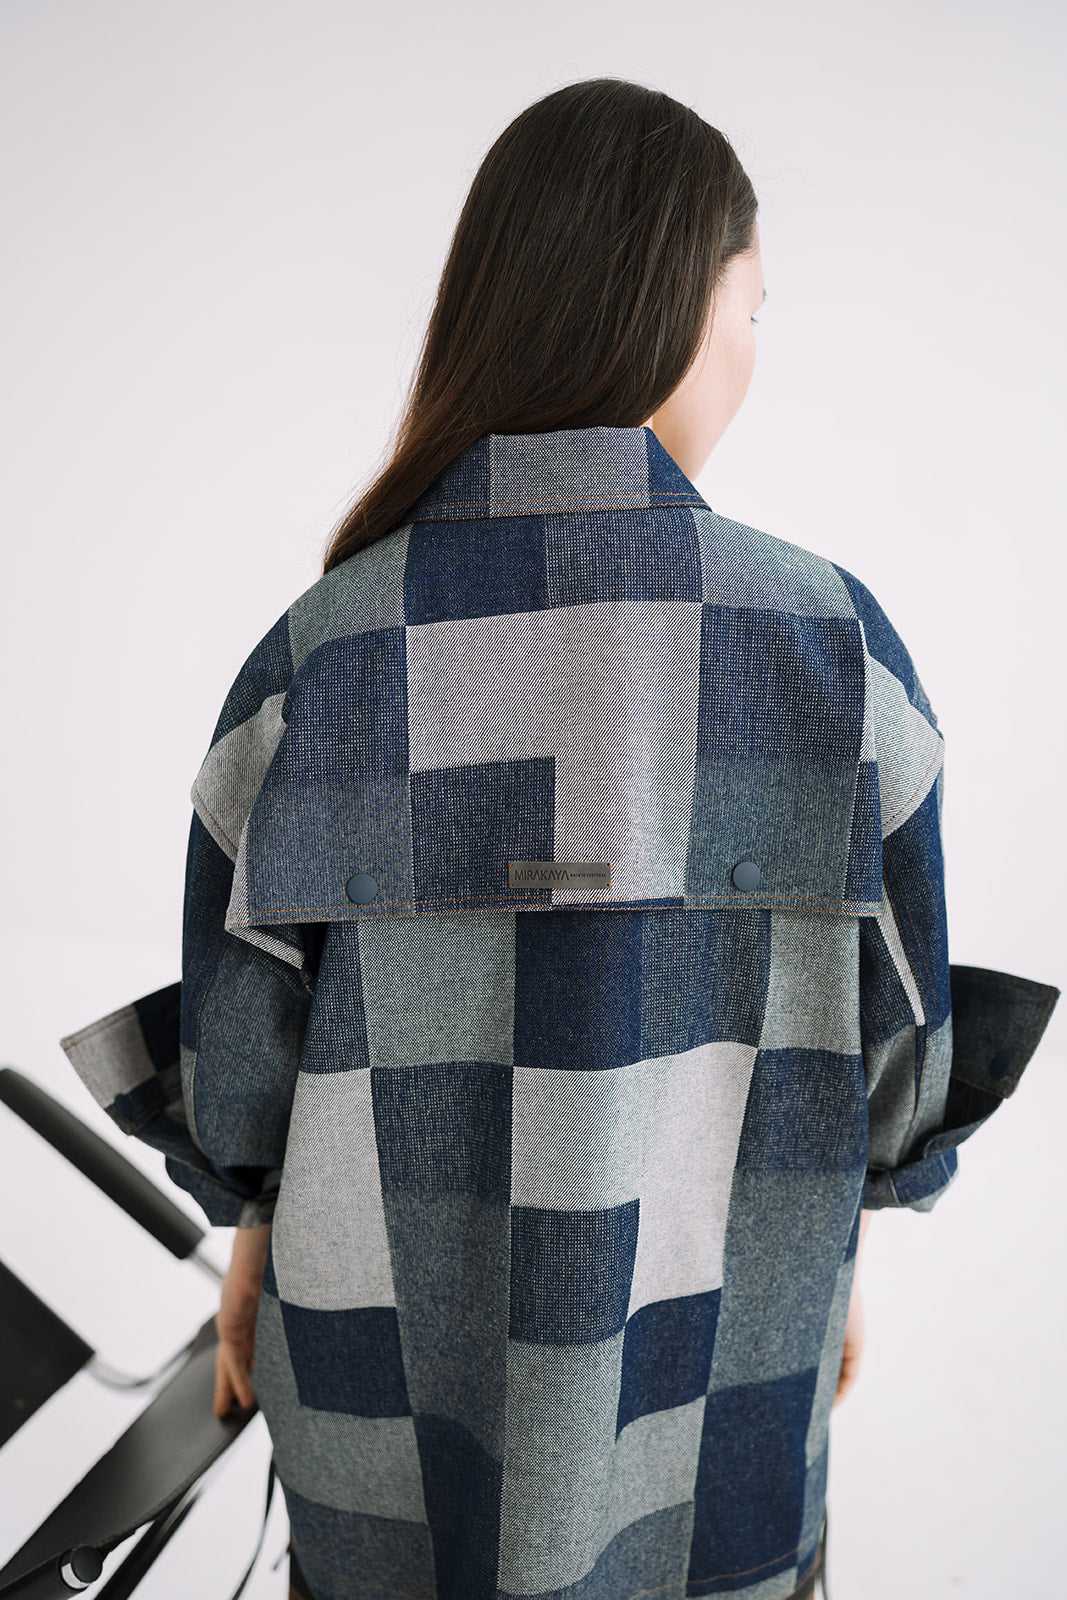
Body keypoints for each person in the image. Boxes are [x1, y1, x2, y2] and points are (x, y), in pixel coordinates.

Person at [60, 78, 1059, 1600]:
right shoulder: (831, 652)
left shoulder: (325, 655)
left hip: (381, 1422)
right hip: (719, 1403)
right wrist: (833, 1232)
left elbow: (242, 1063)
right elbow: (896, 1056)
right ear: (677, 314)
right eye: (753, 312)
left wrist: (253, 1238)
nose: (752, 354)